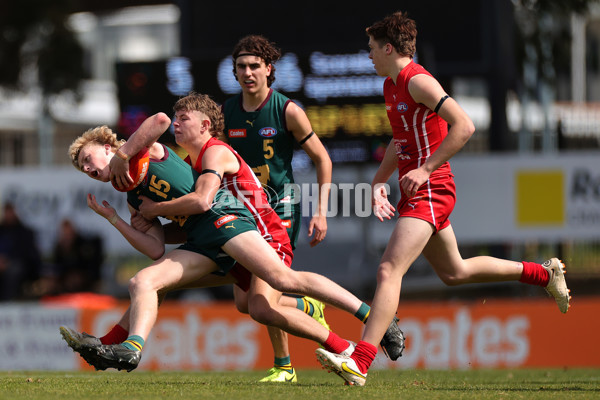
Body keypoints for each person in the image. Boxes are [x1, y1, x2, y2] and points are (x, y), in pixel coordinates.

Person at [315, 11, 571, 386]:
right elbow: (401, 140)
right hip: (419, 189)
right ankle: (543, 274)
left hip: (432, 188)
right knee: (455, 272)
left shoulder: (417, 80)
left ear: (388, 47)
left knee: (388, 269)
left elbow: (464, 125)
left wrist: (425, 168)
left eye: (371, 48)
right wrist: (378, 181)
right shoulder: (391, 86)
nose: (368, 54)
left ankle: (362, 360)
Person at [68, 108, 401, 372]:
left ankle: (371, 316)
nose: (88, 169)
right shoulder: (129, 197)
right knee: (144, 282)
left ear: (108, 147)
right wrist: (115, 219)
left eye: (88, 159)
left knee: (281, 279)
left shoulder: (142, 152)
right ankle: (126, 349)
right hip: (202, 241)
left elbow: (160, 120)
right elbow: (155, 247)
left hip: (224, 221)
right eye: (83, 170)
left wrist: (126, 156)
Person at [220, 34, 403, 382]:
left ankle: (287, 364)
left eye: (254, 65)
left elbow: (323, 159)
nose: (247, 72)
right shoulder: (227, 112)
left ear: (269, 69)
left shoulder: (287, 110)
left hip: (280, 212)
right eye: (241, 66)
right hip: (246, 212)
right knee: (247, 303)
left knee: (262, 299)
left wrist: (320, 212)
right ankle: (308, 306)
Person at [0, 202, 42, 301]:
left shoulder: (24, 232)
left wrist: (7, 261)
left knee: (13, 270)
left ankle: (8, 301)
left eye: (11, 212)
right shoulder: (1, 230)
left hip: (18, 263)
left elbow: (27, 252)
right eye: (7, 212)